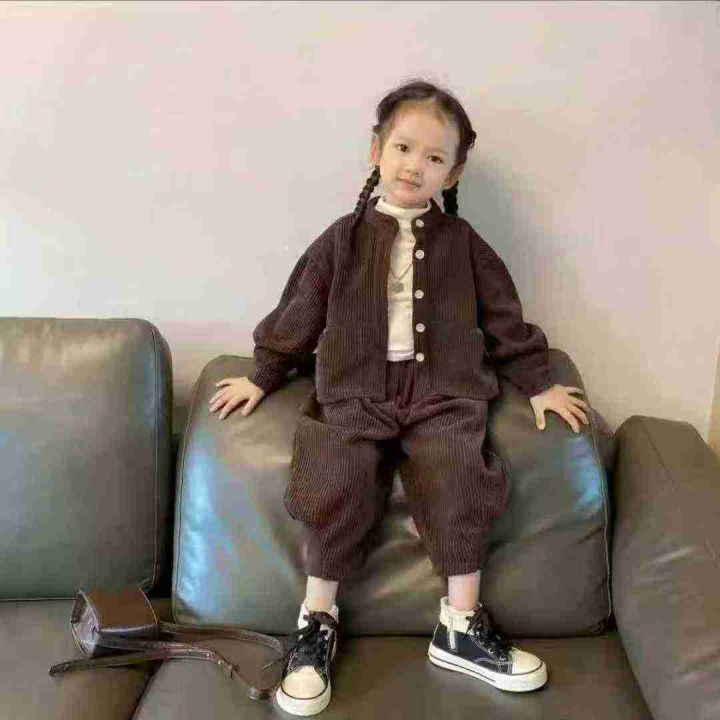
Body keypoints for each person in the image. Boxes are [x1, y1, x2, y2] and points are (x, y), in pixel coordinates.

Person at [208, 78, 590, 716]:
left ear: (453, 172)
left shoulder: (464, 245)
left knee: (459, 473)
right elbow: (299, 311)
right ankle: (316, 624)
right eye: (404, 148)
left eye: (435, 157)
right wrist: (263, 373)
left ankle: (460, 627)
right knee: (337, 474)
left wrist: (539, 381)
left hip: (444, 394)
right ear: (376, 151)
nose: (415, 165)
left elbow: (504, 319)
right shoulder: (341, 240)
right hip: (355, 393)